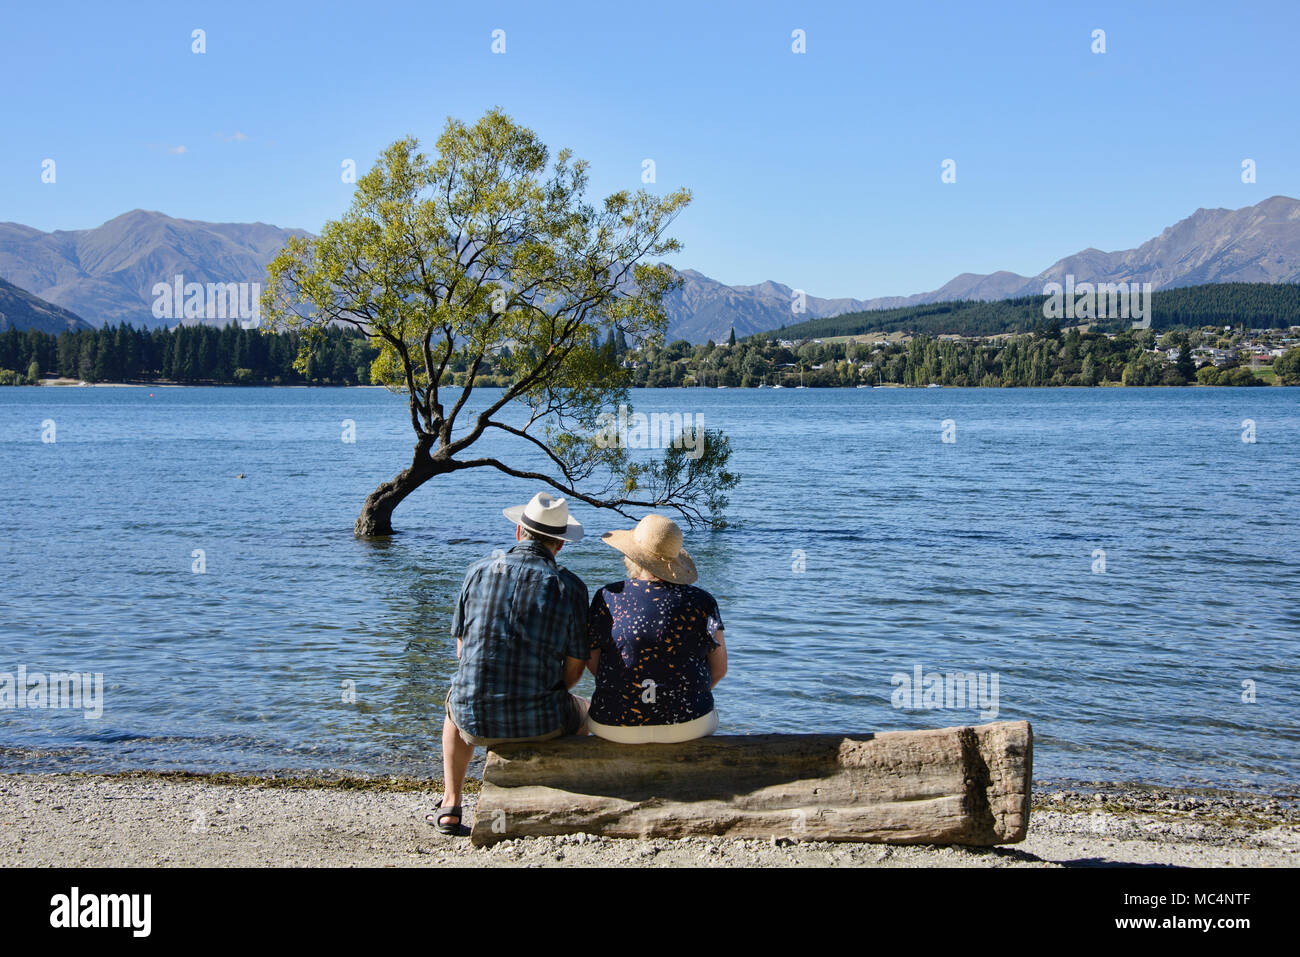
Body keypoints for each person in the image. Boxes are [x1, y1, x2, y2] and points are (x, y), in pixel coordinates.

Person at [429, 492, 590, 834]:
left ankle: (451, 804)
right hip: (540, 722)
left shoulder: (477, 571)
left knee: (454, 701)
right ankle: (556, 797)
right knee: (585, 712)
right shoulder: (570, 587)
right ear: (560, 544)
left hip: (473, 719)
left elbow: (463, 652)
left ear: (519, 533)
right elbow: (575, 669)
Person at [586, 514, 727, 743]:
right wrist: (680, 695)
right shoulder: (703, 601)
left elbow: (592, 661)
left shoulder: (608, 596)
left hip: (614, 723)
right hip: (689, 724)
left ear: (632, 556)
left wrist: (626, 688)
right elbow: (719, 670)